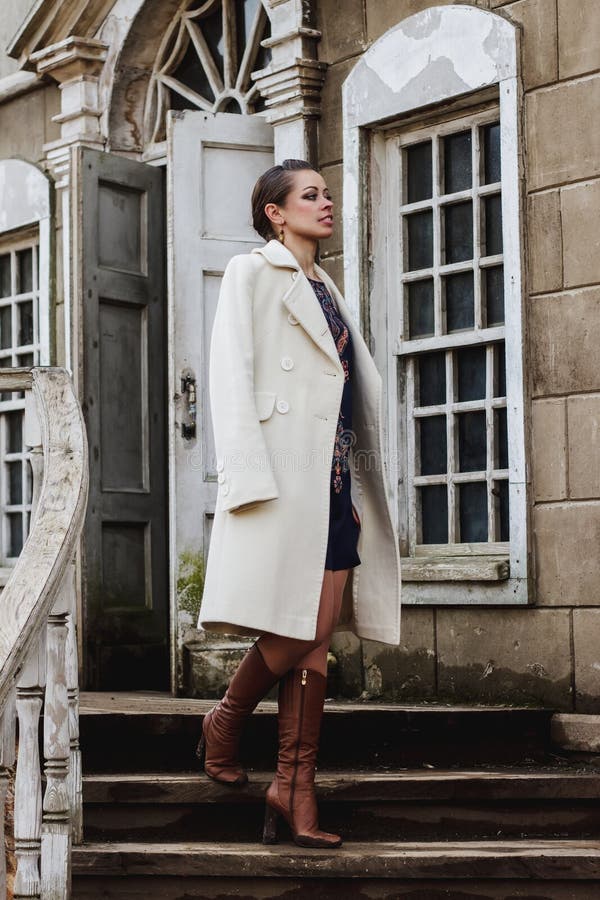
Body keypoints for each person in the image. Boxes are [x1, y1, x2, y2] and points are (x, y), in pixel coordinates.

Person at [196, 159, 402, 849]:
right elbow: (232, 374)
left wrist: (357, 483)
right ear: (275, 212)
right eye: (310, 195)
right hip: (284, 478)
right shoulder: (252, 273)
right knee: (301, 623)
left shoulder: (326, 287)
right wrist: (251, 478)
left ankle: (293, 782)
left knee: (315, 633)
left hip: (336, 478)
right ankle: (227, 720)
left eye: (328, 193)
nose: (327, 202)